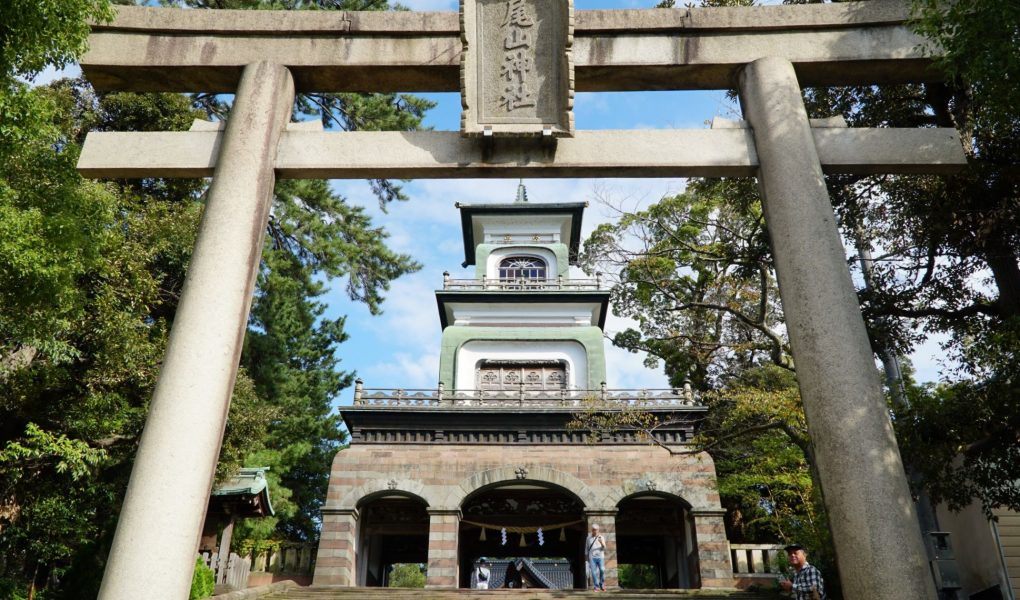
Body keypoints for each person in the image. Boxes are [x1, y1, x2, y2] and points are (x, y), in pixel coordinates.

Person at [586, 523, 607, 591]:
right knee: (593, 572)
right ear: (592, 530)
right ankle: (596, 586)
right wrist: (586, 557)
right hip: (592, 557)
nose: (594, 531)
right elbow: (586, 547)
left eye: (596, 530)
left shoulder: (601, 537)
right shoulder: (588, 538)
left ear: (598, 530)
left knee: (602, 569)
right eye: (593, 530)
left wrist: (601, 542)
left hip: (600, 557)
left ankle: (602, 583)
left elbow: (604, 547)